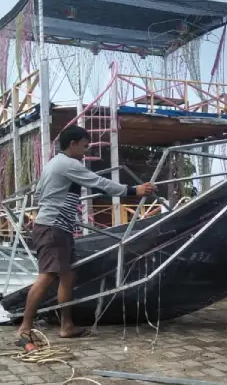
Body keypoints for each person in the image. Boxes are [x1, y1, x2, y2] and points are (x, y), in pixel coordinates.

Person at [16, 125, 154, 340]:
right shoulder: (67, 164)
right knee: (47, 276)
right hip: (53, 228)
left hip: (58, 227)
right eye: (84, 145)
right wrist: (133, 191)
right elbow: (98, 183)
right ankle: (25, 326)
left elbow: (41, 193)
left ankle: (67, 325)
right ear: (73, 144)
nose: (86, 150)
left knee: (68, 276)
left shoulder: (53, 164)